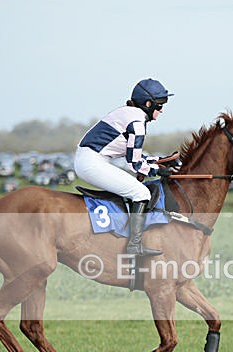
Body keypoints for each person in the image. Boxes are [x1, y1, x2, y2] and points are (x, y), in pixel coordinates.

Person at [74, 78, 174, 256]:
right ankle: (134, 245)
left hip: (91, 160)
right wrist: (158, 170)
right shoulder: (137, 122)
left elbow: (135, 156)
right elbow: (135, 163)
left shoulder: (129, 114)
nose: (161, 110)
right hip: (92, 162)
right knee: (142, 193)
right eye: (159, 106)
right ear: (148, 104)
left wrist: (160, 160)